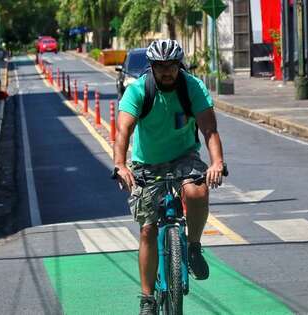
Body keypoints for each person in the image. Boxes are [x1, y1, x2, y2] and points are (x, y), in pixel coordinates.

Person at [113, 39, 225, 315]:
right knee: (148, 229)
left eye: (171, 65)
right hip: (146, 163)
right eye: (160, 66)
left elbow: (209, 129)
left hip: (183, 156)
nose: (166, 71)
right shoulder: (139, 90)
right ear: (151, 67)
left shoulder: (192, 87)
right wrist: (120, 165)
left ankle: (194, 247)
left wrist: (217, 163)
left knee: (197, 192)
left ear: (179, 65)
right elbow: (124, 131)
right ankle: (147, 299)